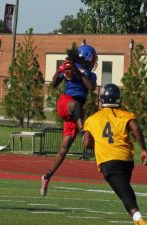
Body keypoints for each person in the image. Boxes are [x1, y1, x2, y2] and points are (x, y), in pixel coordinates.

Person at [83, 83, 147, 225]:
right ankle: (136, 217)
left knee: (123, 191)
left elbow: (87, 143)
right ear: (119, 99)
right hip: (126, 160)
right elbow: (136, 127)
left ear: (102, 99)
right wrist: (143, 149)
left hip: (108, 160)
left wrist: (101, 142)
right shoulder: (125, 115)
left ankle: (138, 218)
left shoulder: (92, 119)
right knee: (125, 188)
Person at [40, 44, 98, 197]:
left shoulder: (89, 75)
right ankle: (84, 129)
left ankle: (47, 177)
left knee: (64, 148)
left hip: (76, 113)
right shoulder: (73, 66)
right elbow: (54, 84)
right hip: (66, 103)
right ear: (87, 57)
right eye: (92, 59)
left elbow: (91, 87)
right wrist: (60, 71)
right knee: (77, 105)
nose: (93, 62)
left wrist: (80, 72)